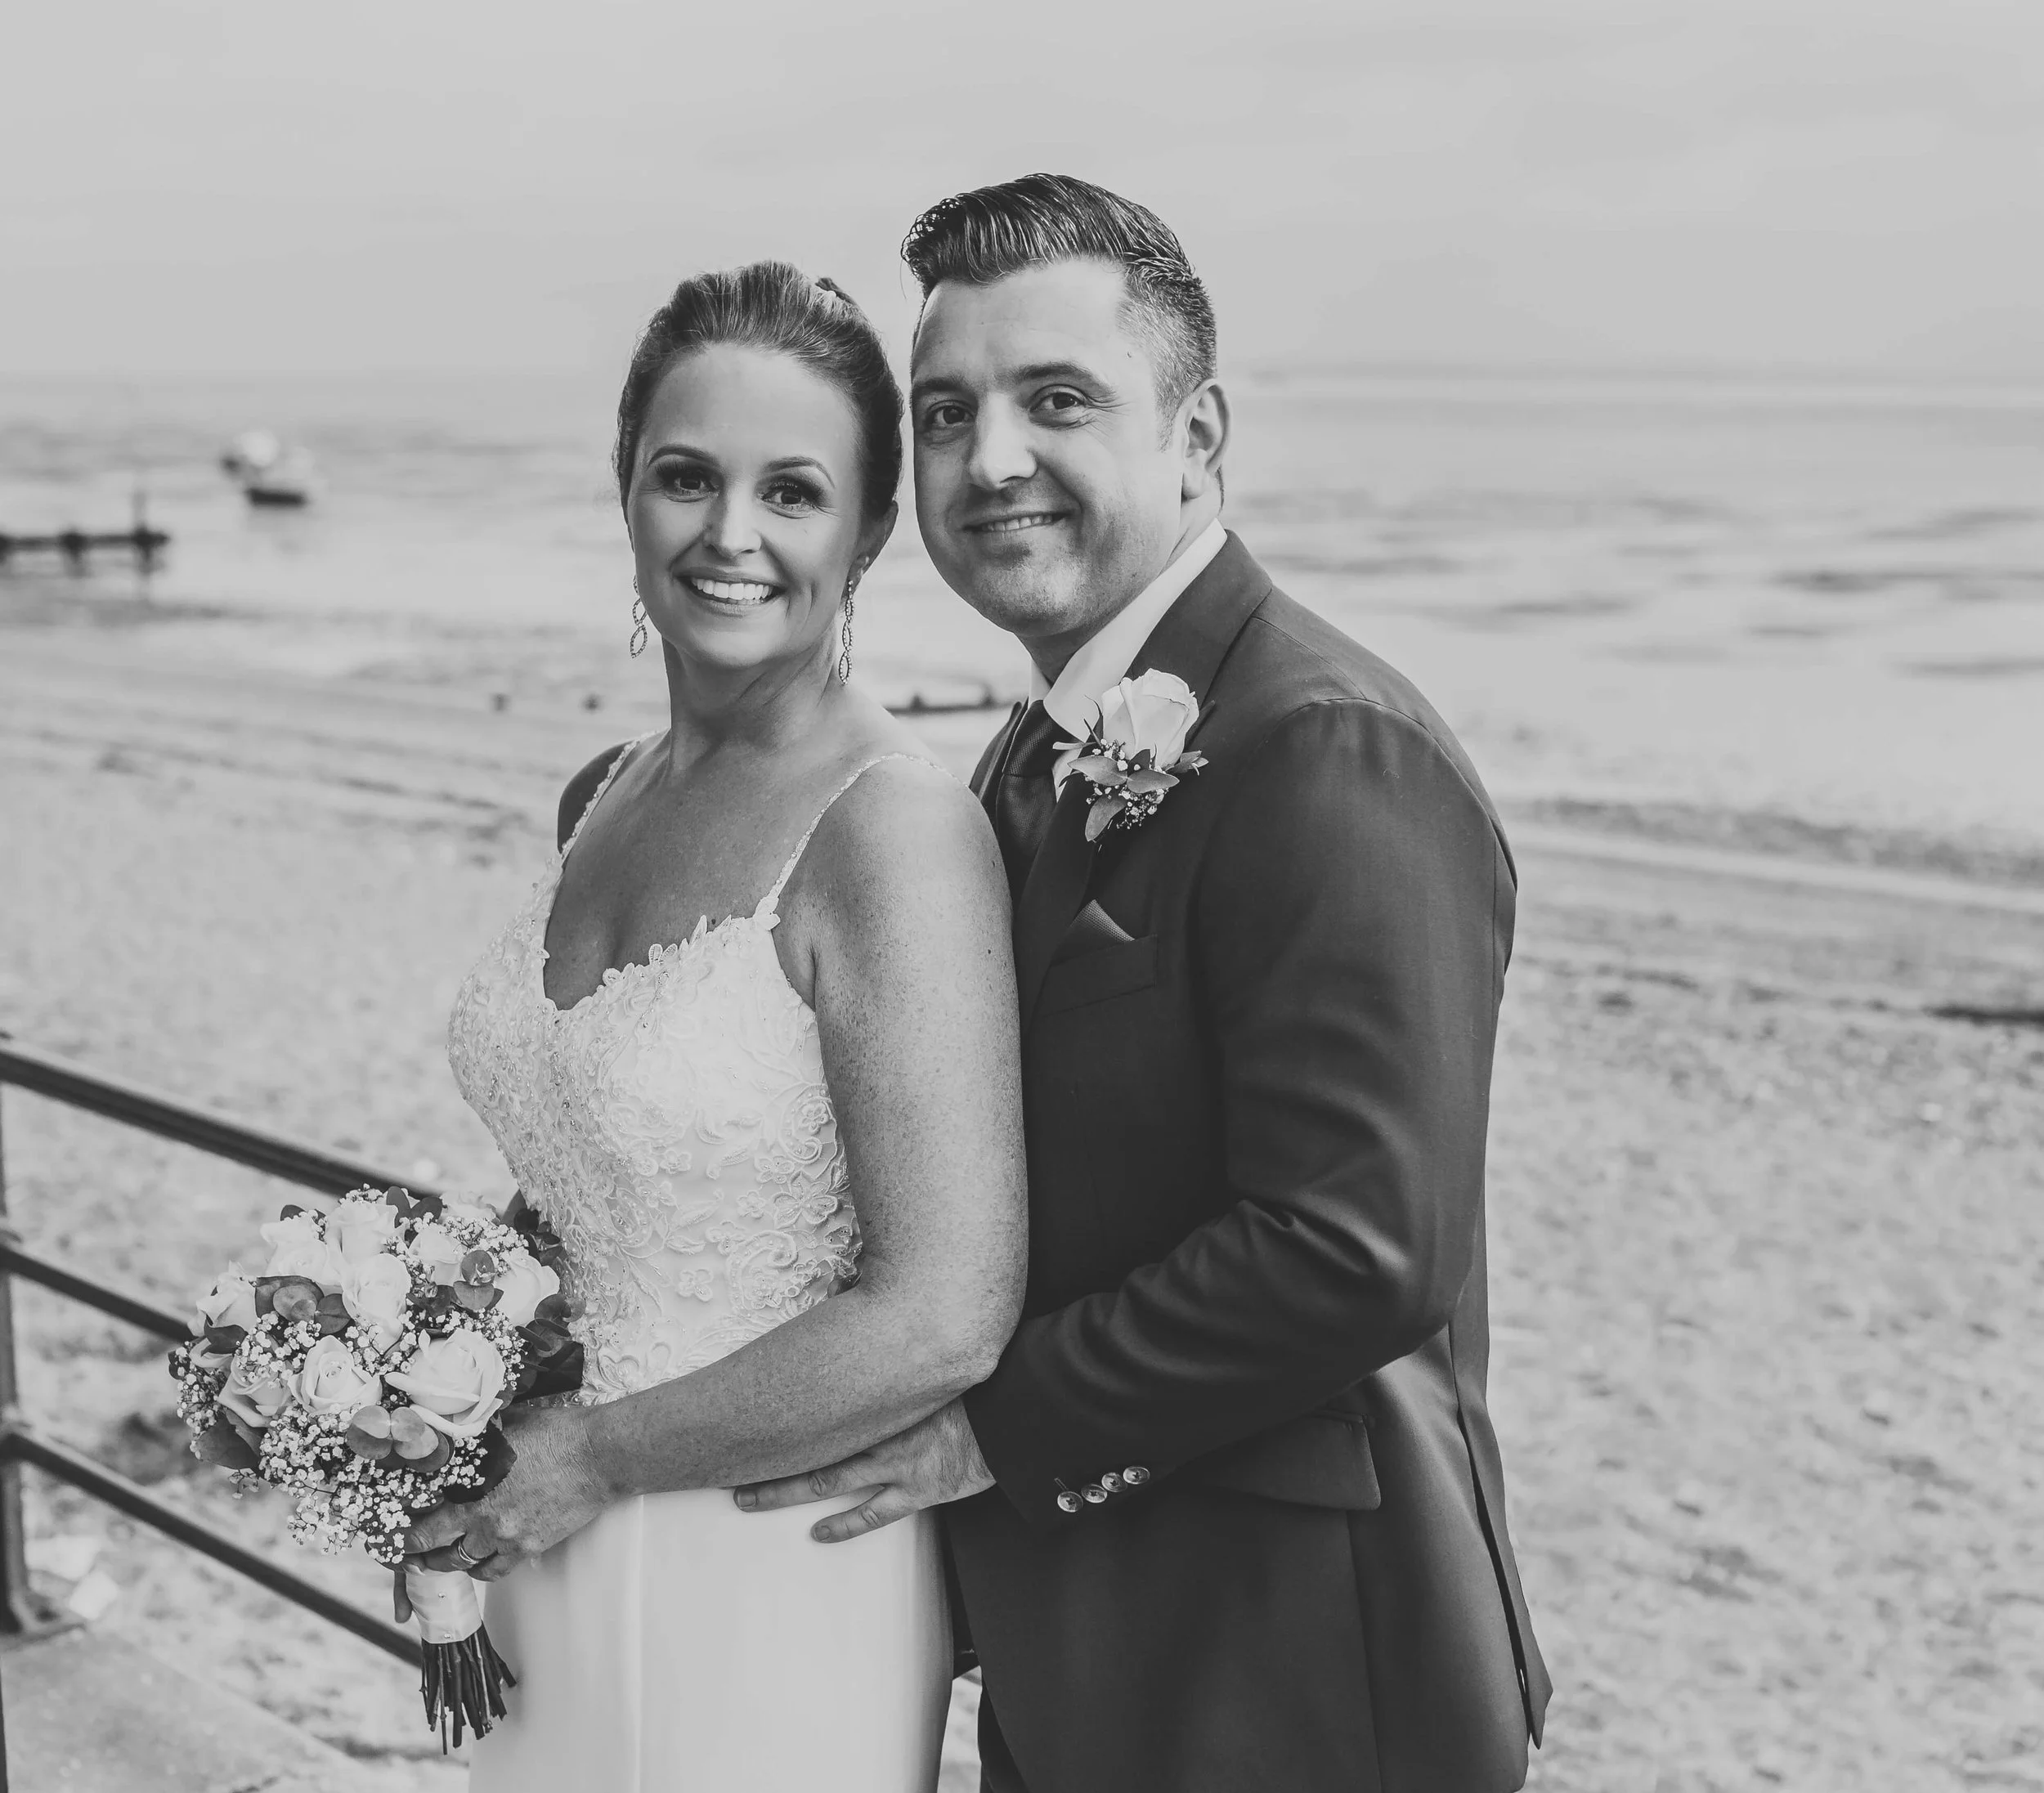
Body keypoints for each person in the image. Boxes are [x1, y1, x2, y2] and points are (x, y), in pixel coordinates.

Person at [737, 175, 1552, 1792]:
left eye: (1057, 400)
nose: (991, 460)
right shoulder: (1022, 753)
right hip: (1085, 1636)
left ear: (1197, 437)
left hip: (1293, 1665)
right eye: (946, 411)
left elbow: (1353, 1246)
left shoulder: (1323, 746)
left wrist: (989, 1430)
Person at [414, 261, 1026, 1793]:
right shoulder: (600, 793)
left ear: (871, 528)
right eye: (686, 477)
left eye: (793, 491)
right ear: (626, 490)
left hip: (766, 1560)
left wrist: (596, 1460)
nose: (730, 535)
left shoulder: (894, 835)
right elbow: (578, 1185)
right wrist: (422, 1386)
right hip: (537, 1531)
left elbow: (946, 1308)